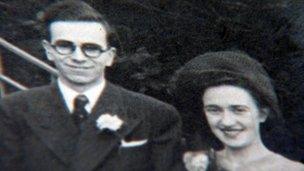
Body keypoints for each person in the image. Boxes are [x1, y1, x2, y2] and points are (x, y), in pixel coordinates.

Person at [0, 1, 183, 171]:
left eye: (91, 48)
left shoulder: (155, 115)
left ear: (110, 56)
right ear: (49, 51)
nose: (78, 58)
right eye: (65, 46)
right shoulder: (12, 111)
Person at [174, 51, 304, 171]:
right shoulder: (193, 164)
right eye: (214, 110)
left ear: (262, 114)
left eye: (239, 110)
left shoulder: (290, 169)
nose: (227, 122)